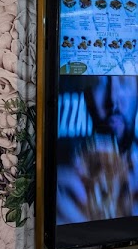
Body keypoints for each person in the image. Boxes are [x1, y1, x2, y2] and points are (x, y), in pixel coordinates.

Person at [55, 75, 138, 224]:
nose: (112, 99)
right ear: (86, 95)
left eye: (124, 81)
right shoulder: (66, 183)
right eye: (100, 83)